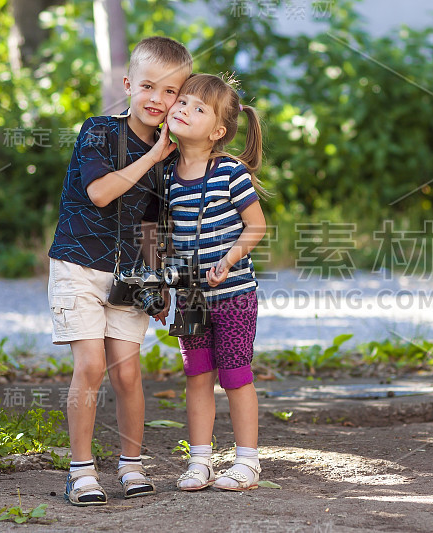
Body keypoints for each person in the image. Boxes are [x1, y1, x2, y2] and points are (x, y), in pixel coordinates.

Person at [47, 36, 192, 506]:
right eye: (148, 86)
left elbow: (158, 222)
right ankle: (81, 471)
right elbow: (100, 194)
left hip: (133, 277)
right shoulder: (99, 132)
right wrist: (154, 156)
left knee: (128, 374)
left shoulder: (178, 158)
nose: (158, 99)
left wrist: (162, 280)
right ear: (129, 85)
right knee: (91, 365)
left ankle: (131, 465)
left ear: (182, 95)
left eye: (171, 92)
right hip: (78, 265)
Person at [165, 73, 267, 491]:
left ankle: (247, 462)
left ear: (218, 130)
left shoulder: (229, 171)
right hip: (190, 297)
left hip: (234, 295)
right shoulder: (166, 174)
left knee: (236, 375)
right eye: (183, 102)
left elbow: (256, 226)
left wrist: (228, 259)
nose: (185, 109)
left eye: (198, 108)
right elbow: (164, 235)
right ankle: (200, 461)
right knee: (197, 376)